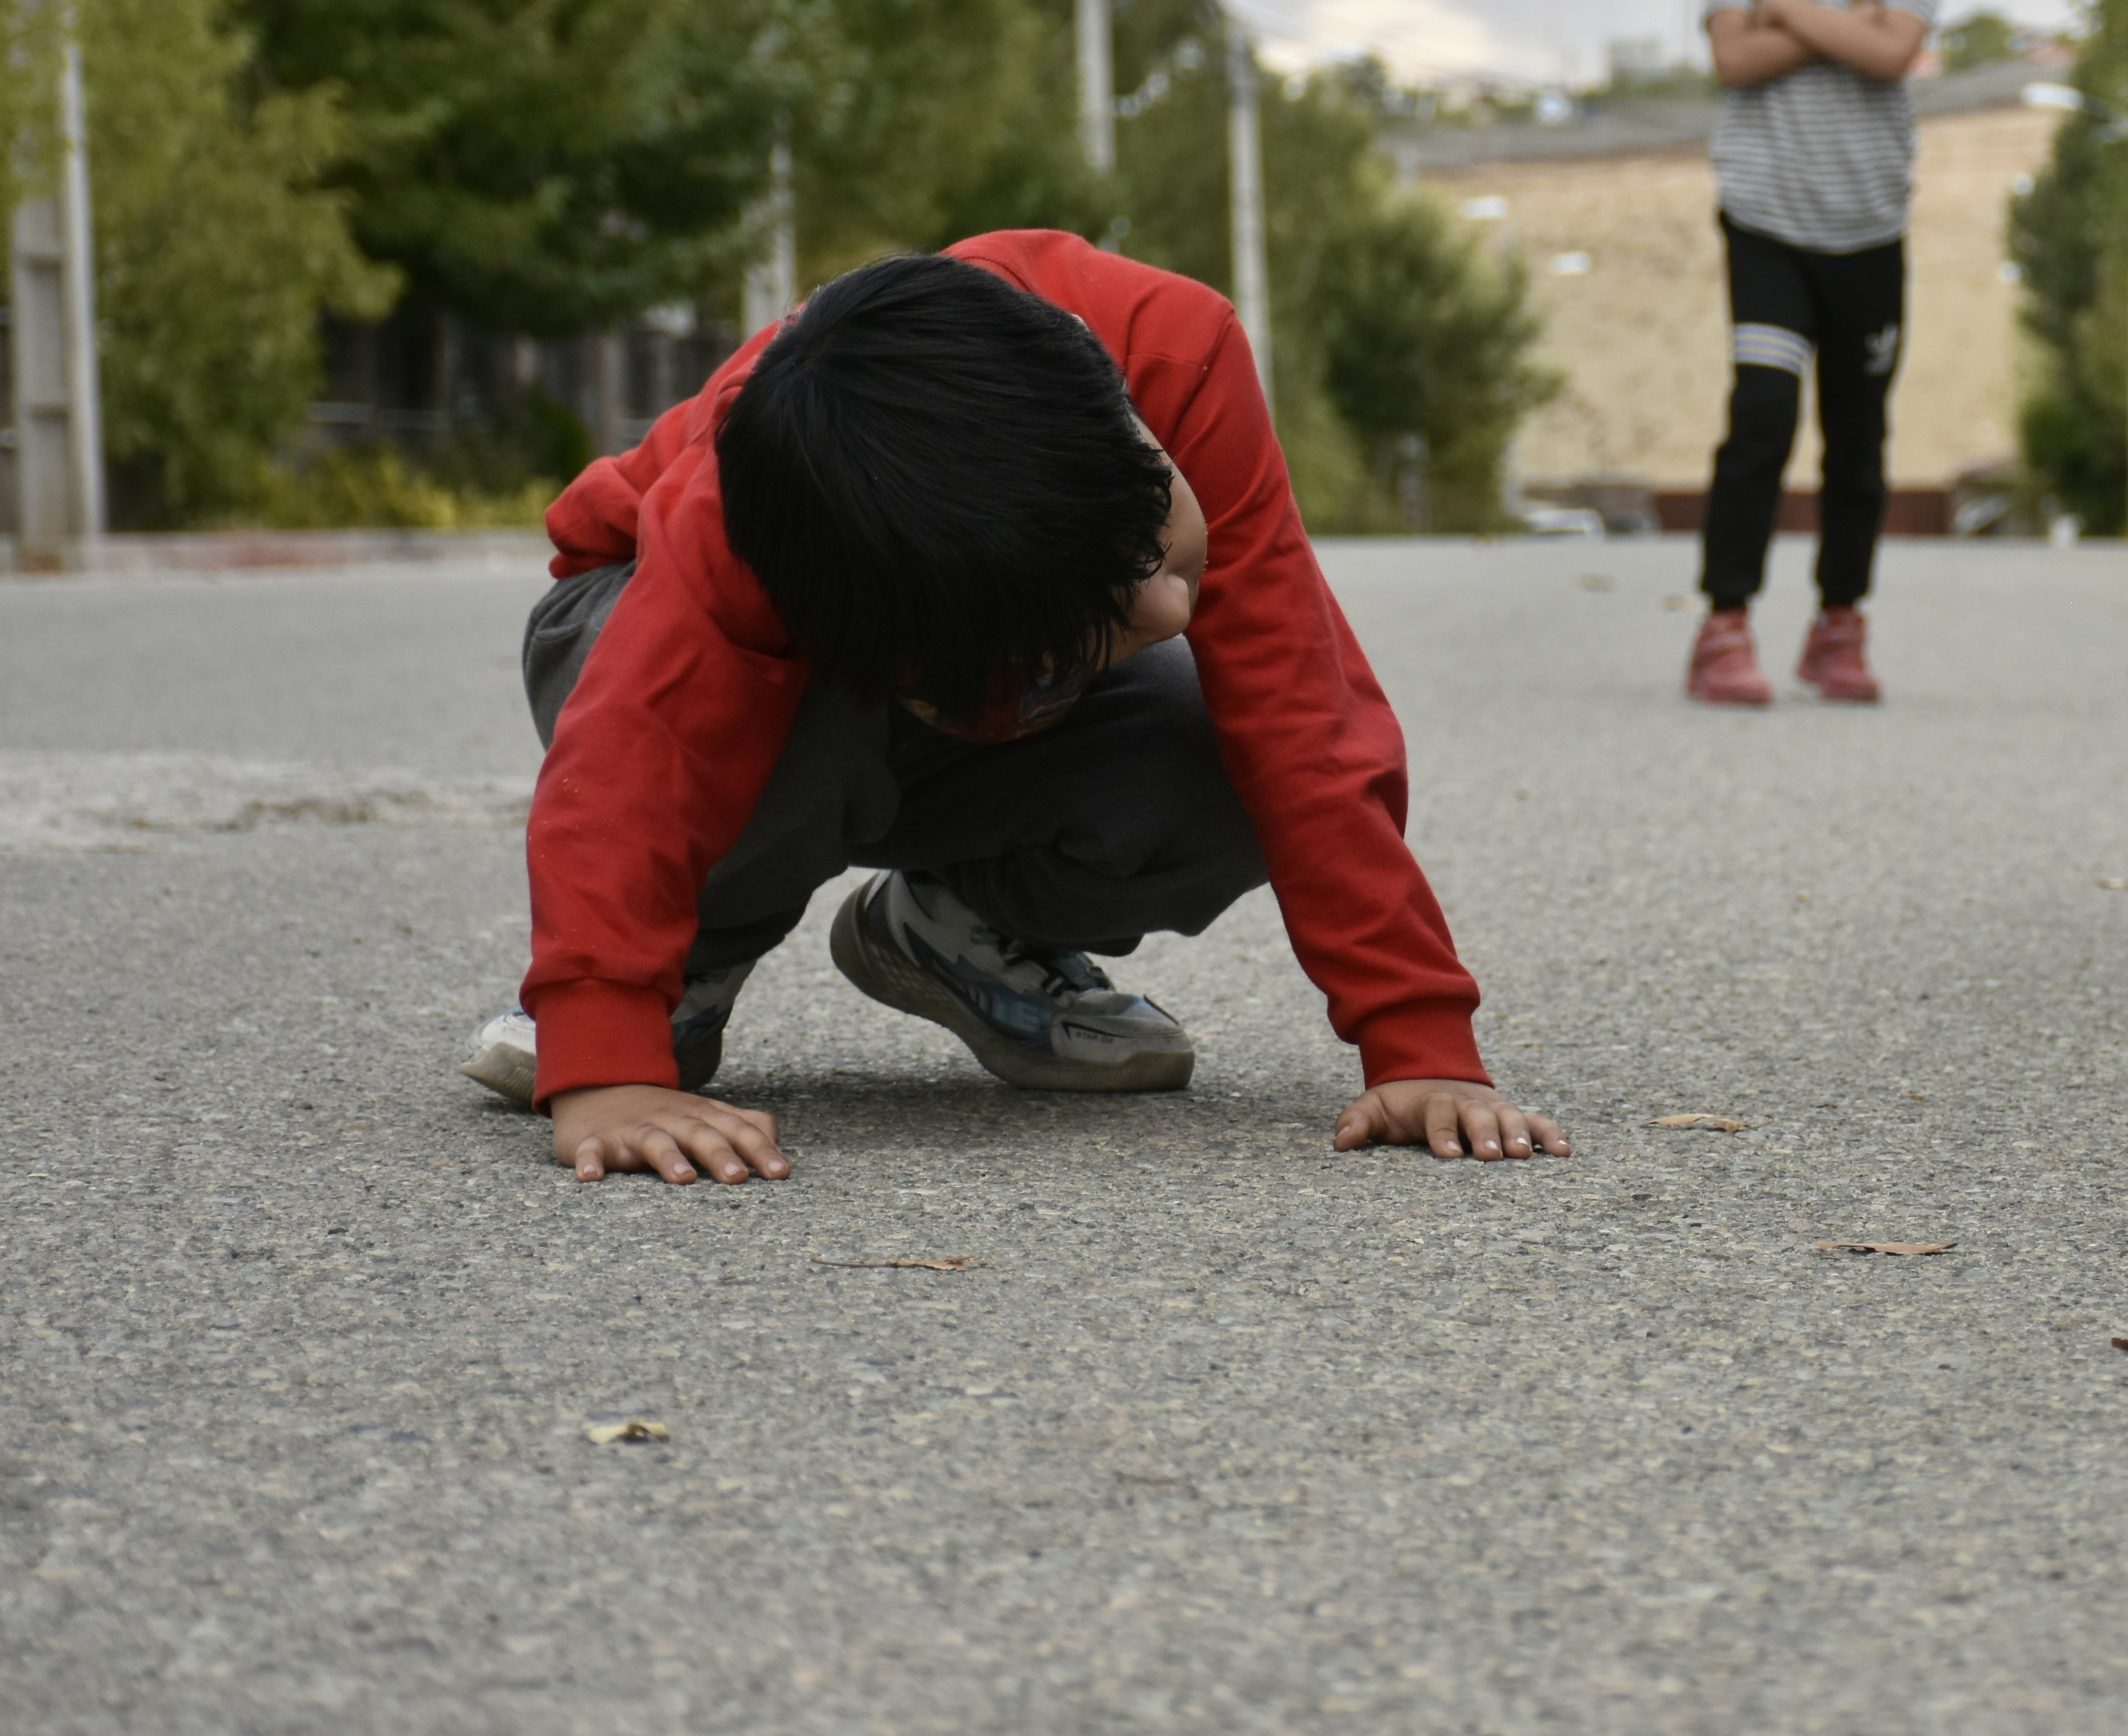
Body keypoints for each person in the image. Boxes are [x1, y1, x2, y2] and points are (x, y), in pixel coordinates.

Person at [453, 234, 1570, 1184]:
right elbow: (634, 758)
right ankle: (689, 953)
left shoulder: (1171, 352)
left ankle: (956, 929)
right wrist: (604, 1060)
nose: (1169, 603)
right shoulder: (745, 511)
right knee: (768, 704)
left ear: (1125, 414)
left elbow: (1303, 721)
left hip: (954, 675)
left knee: (1218, 748)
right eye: (1105, 618)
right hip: (641, 637)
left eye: (1152, 537)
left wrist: (1420, 1044)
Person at [1686, 0, 1940, 707]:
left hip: (1869, 235)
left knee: (1859, 441)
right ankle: (1725, 623)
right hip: (1767, 227)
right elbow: (1733, 58)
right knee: (1761, 415)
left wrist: (1792, 18)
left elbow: (1892, 53)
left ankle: (1839, 626)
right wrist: (1836, 20)